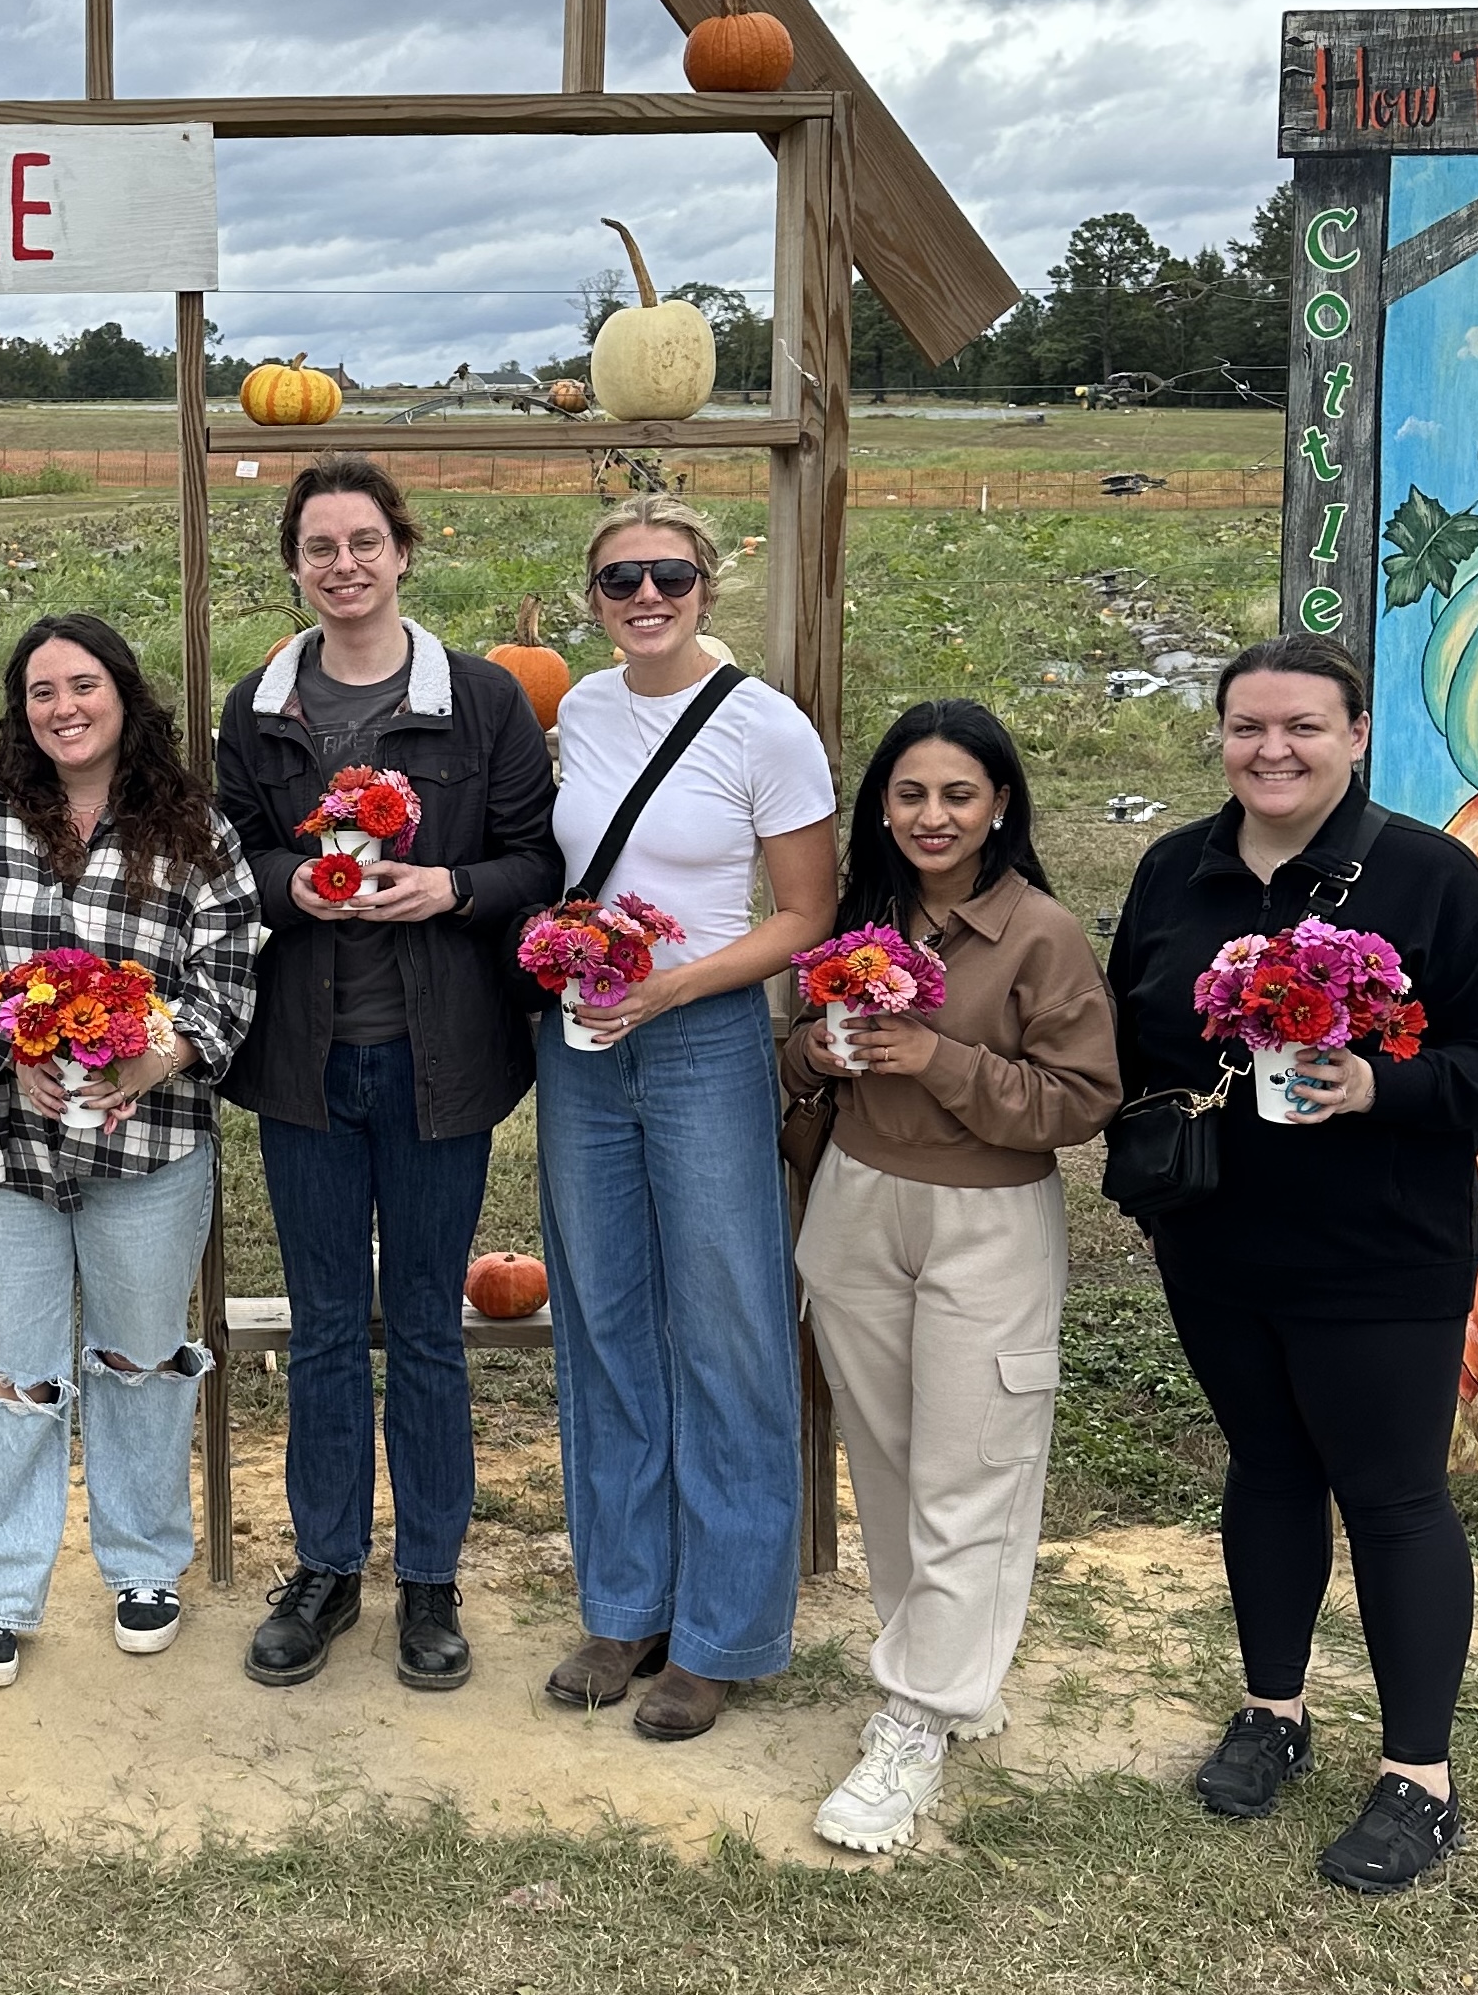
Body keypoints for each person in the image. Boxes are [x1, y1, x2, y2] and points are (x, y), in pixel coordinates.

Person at [1108, 634, 1478, 1894]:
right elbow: (1131, 1027)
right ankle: (1273, 1711)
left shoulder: (1426, 876)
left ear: (1356, 735)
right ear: (1220, 735)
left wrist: (1378, 1084)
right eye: (1248, 725)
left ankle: (1420, 1778)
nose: (1274, 749)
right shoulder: (1176, 869)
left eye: (1303, 725)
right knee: (1267, 1468)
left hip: (1380, 1248)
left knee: (1393, 1497)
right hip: (1218, 1241)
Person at [215, 453, 561, 1692]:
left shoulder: (483, 700)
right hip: (304, 1066)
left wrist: (450, 887)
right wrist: (288, 885)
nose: (344, 564)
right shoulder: (259, 708)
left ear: (403, 552)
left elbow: (537, 862)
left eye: (365, 541)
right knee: (322, 1326)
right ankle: (324, 1568)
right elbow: (227, 857)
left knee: (422, 1324)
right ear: (296, 567)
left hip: (438, 1062)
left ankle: (429, 1576)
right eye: (320, 547)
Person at [780, 700, 1120, 1852]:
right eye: (912, 793)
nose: (934, 815)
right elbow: (798, 1054)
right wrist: (814, 1048)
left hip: (987, 1220)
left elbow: (1080, 1099)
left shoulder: (1039, 934)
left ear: (1000, 805)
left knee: (971, 1467)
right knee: (887, 1461)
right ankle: (941, 1674)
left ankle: (916, 1717)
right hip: (857, 1206)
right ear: (882, 806)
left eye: (959, 793)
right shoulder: (861, 919)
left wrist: (941, 1058)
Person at [533, 495, 838, 1741]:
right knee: (603, 1314)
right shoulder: (581, 710)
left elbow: (806, 913)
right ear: (594, 600)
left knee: (728, 1321)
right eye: (621, 579)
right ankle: (626, 1603)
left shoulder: (766, 725)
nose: (645, 595)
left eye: (668, 573)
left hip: (704, 1035)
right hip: (584, 1041)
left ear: (707, 584)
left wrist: (676, 985)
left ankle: (721, 1627)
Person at [0, 615, 260, 1687]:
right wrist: (5, 1056)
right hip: (5, 1143)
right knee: (7, 1370)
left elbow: (228, 976)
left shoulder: (193, 826)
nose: (63, 708)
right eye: (41, 692)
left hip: (149, 1141)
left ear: (123, 693)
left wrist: (153, 1059)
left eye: (83, 685)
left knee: (141, 1358)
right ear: (21, 710)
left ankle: (144, 1563)